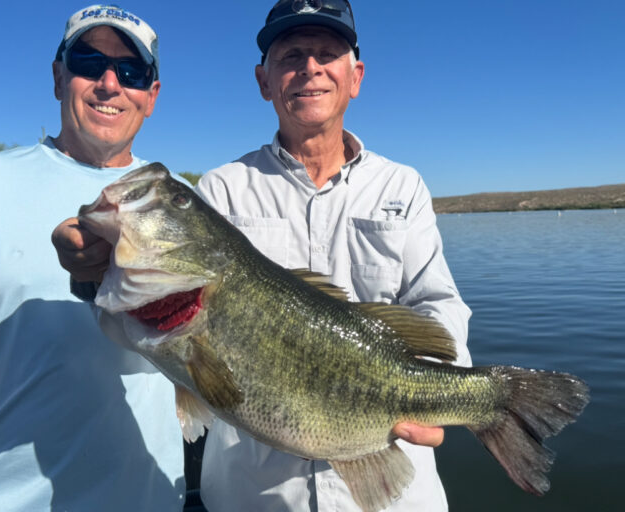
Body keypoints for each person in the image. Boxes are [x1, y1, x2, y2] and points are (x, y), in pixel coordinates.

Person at [53, 1, 472, 510]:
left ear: (355, 76)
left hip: (392, 489)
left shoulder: (403, 186)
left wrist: (437, 393)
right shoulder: (223, 189)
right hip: (253, 495)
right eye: (292, 55)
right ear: (264, 81)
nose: (310, 68)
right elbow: (135, 331)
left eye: (327, 54)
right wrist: (94, 275)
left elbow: (438, 306)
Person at [0, 5, 186, 512]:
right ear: (58, 76)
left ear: (151, 97)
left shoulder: (184, 207)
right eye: (89, 62)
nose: (110, 84)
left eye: (132, 72)